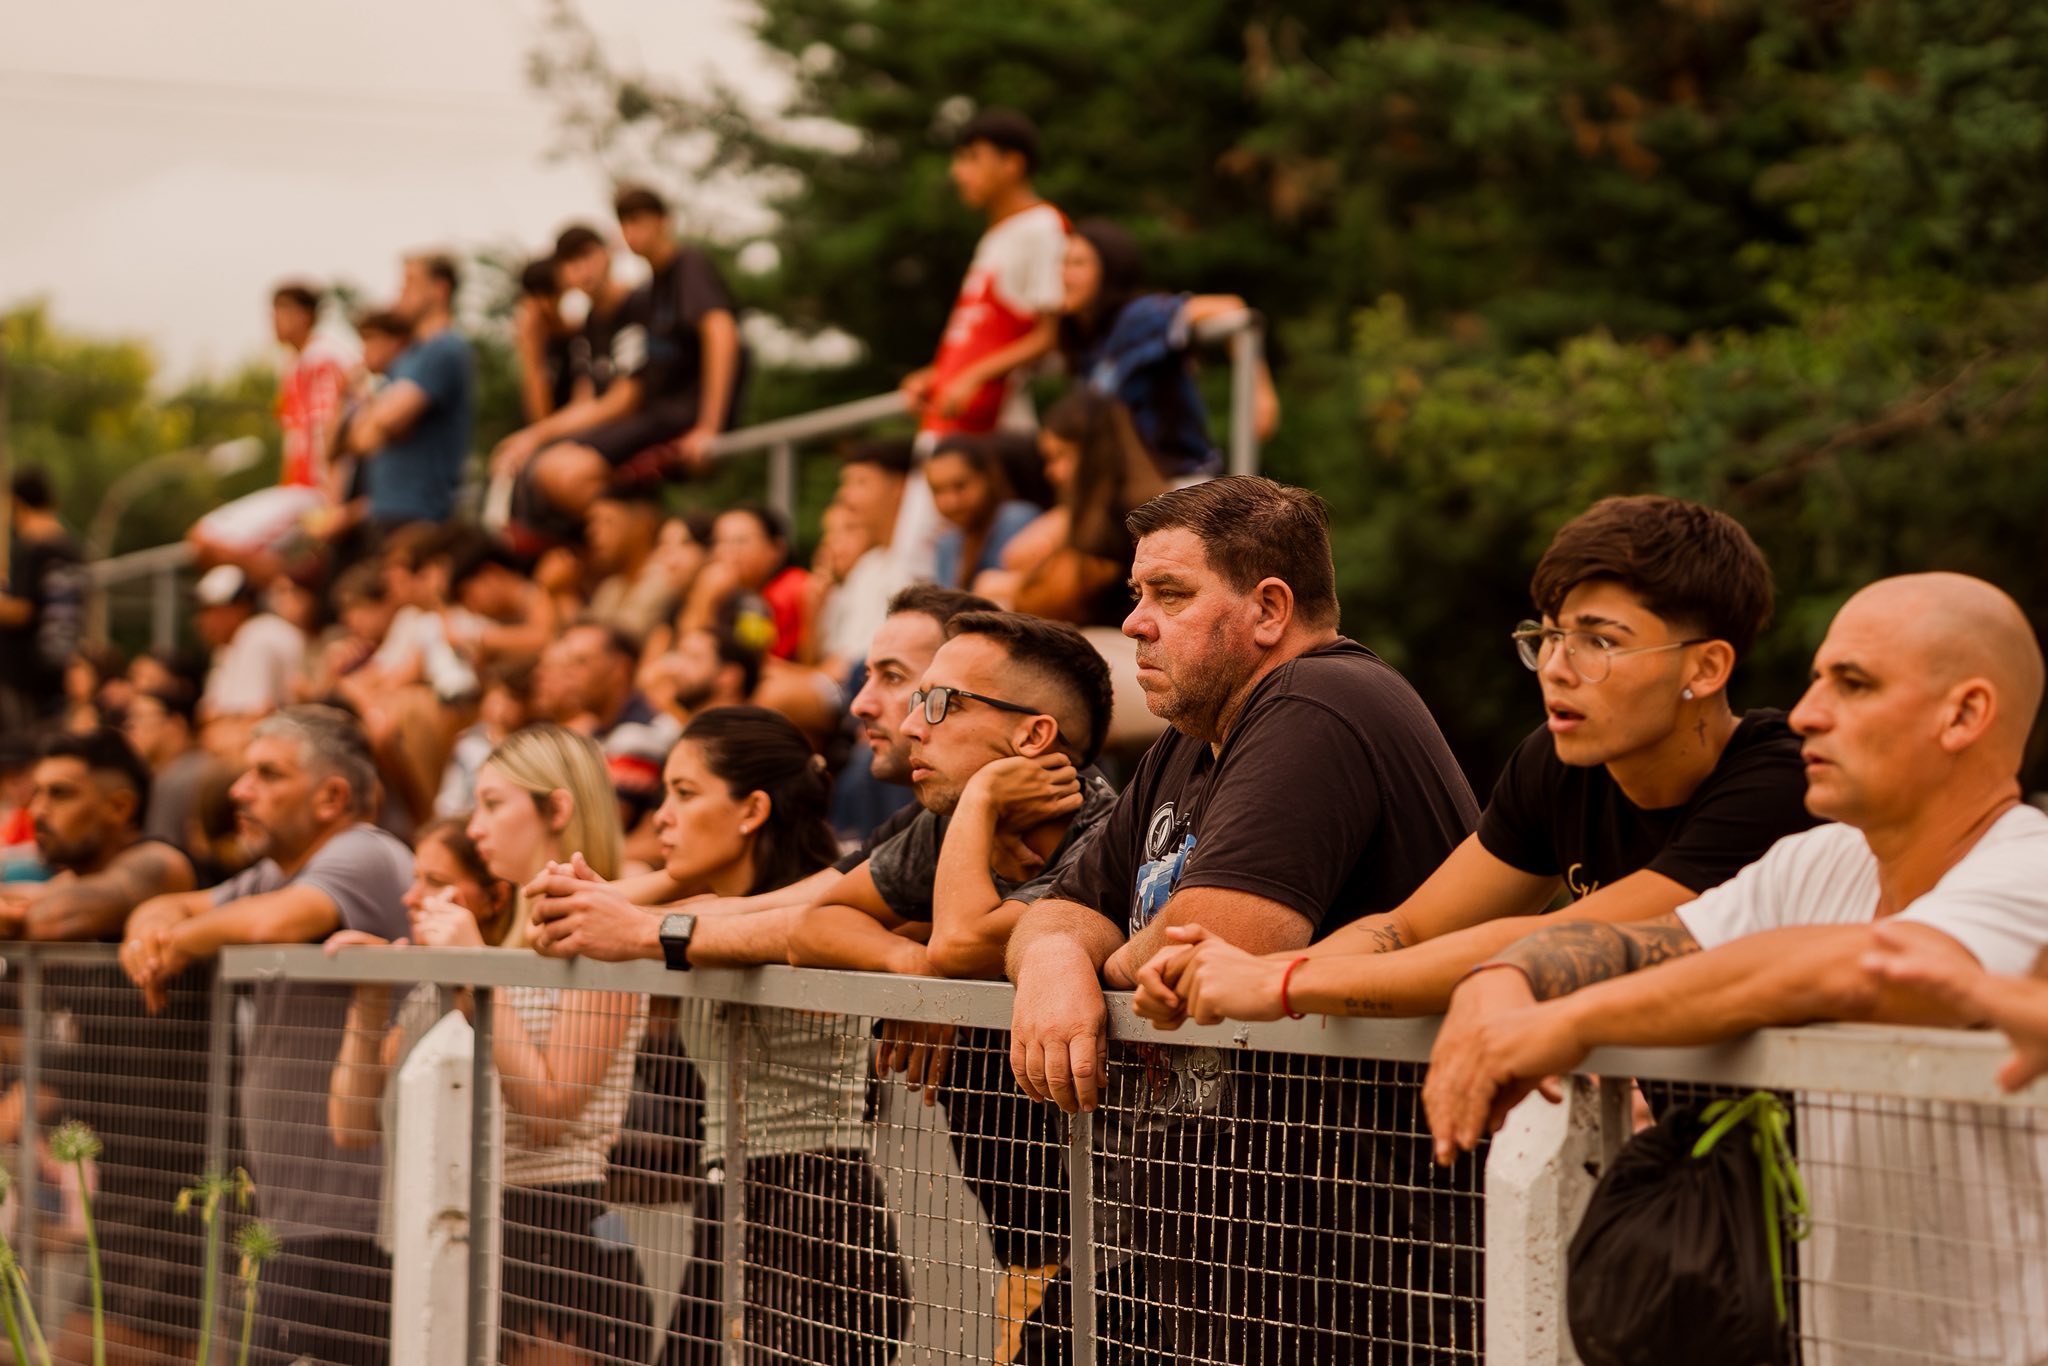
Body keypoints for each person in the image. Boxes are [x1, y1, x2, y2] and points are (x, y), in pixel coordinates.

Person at [1420, 572, 2048, 1365]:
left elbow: (1878, 970)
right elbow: (1651, 944)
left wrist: (1563, 1024)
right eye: (1818, 678)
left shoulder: (2030, 869)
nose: (1810, 711)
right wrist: (1502, 979)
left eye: (1853, 684)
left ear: (1964, 714)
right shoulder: (1816, 862)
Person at [1005, 476, 1478, 1361]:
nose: (1138, 622)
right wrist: (1054, 964)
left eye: (1171, 595)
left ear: (1269, 608)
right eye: (1136, 596)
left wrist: (1100, 954)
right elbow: (1054, 912)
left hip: (1364, 1274)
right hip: (1232, 1264)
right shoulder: (1189, 741)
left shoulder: (1316, 701)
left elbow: (1212, 943)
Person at [1135, 494, 1817, 1028]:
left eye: (1599, 643)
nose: (1556, 668)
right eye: (1548, 637)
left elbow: (1563, 941)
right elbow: (1410, 927)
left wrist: (1281, 982)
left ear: (1706, 665)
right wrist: (1229, 976)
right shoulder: (1559, 763)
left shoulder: (1783, 786)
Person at [531, 708, 910, 1365]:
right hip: (737, 1198)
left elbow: (691, 921)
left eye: (684, 793)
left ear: (752, 809)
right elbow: (588, 917)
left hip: (817, 1213)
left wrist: (640, 903)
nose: (660, 817)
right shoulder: (716, 913)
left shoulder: (816, 907)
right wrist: (637, 891)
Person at [788, 612, 1116, 1352]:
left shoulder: (1103, 836)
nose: (910, 727)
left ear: (1033, 737)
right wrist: (914, 973)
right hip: (1027, 1243)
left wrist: (976, 805)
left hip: (1122, 1250)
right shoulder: (951, 821)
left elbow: (964, 941)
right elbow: (817, 924)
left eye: (940, 703)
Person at [330, 729, 655, 1364]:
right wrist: (373, 994)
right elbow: (351, 1125)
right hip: (462, 1225)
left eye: (492, 803)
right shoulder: (487, 948)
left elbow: (550, 1108)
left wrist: (472, 970)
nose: (475, 825)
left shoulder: (601, 933)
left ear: (556, 810)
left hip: (556, 1237)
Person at [119, 705, 411, 1364]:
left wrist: (178, 941)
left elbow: (269, 923)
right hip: (297, 1216)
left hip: (355, 1222)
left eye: (266, 774)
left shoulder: (362, 852)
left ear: (332, 795)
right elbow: (180, 904)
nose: (238, 790)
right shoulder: (280, 870)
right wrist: (149, 931)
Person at [539, 585, 997, 942]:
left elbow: (810, 923)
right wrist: (603, 906)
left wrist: (639, 926)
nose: (859, 704)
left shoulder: (1024, 804)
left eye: (893, 677)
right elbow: (799, 906)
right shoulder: (919, 819)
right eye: (866, 677)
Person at [2, 732, 204, 1361]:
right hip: (116, 1191)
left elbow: (58, 918)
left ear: (118, 806)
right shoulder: (64, 885)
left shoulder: (158, 865)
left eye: (61, 793)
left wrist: (25, 909)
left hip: (179, 1195)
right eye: (35, 792)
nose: (39, 809)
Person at [516, 188, 748, 519]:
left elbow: (722, 333)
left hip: (674, 415)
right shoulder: (652, 288)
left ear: (664, 221)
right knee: (543, 469)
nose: (632, 232)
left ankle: (640, 529)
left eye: (639, 220)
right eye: (625, 223)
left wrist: (710, 424)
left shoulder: (687, 265)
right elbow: (585, 402)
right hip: (658, 413)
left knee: (562, 470)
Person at [1056, 220, 1278, 478]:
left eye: (1078, 264)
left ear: (1110, 270)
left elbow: (1230, 308)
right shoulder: (1086, 343)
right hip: (1126, 490)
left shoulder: (1138, 317)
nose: (1064, 274)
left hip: (1179, 482)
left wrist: (1261, 396)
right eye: (1063, 263)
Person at [977, 390, 1167, 626]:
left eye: (1059, 456)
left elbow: (1056, 598)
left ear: (1092, 456)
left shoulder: (1117, 516)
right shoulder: (1130, 501)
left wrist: (1013, 586)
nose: (1050, 472)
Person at [344, 252, 477, 533]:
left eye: (410, 282)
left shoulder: (445, 349)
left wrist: (378, 420)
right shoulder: (407, 358)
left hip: (421, 514)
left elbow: (385, 420)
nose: (400, 291)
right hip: (387, 510)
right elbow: (359, 439)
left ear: (440, 289)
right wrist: (379, 422)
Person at [0, 467, 86, 736]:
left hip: (25, 674)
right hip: (56, 671)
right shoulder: (69, 547)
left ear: (17, 503)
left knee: (21, 747)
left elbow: (22, 611)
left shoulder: (33, 547)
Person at [193, 564, 307, 751]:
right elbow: (208, 720)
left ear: (241, 608)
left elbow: (250, 725)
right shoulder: (228, 646)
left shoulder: (259, 633)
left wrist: (223, 721)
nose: (203, 620)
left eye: (212, 610)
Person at [689, 505, 810, 660]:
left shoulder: (789, 589)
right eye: (719, 541)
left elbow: (751, 666)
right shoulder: (739, 596)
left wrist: (705, 597)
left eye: (740, 541)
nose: (728, 551)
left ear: (776, 550)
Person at [270, 281, 356, 491]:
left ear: (305, 316)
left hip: (318, 488)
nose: (274, 320)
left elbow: (326, 428)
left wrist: (328, 495)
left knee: (215, 525)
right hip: (299, 485)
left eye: (283, 310)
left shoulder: (321, 359)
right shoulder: (298, 361)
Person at [927, 434, 1042, 591]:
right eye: (937, 490)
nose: (950, 502)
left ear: (987, 477)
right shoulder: (947, 545)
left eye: (960, 486)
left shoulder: (1019, 521)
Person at [122, 680, 218, 848]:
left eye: (140, 717)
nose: (131, 727)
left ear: (175, 723)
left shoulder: (178, 778)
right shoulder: (174, 772)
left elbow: (160, 850)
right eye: (130, 719)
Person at [586, 491, 684, 641]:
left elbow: (627, 640)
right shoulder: (609, 587)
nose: (593, 532)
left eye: (607, 521)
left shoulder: (668, 578)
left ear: (641, 524)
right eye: (592, 523)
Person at [512, 255, 577, 423]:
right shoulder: (537, 337)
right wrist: (531, 348)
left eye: (551, 293)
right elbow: (538, 416)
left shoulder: (581, 331)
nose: (545, 306)